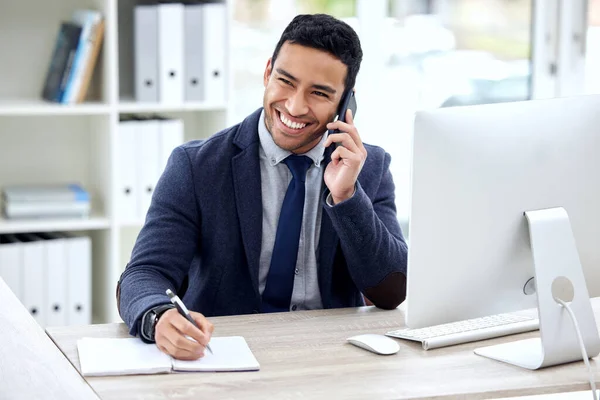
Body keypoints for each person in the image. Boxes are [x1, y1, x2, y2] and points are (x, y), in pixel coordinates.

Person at [117, 13, 408, 361]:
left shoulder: (369, 168)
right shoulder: (196, 166)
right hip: (224, 355)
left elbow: (392, 292)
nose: (295, 106)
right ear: (268, 72)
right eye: (286, 81)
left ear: (346, 103)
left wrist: (347, 197)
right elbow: (144, 273)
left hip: (332, 358)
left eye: (319, 93)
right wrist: (159, 317)